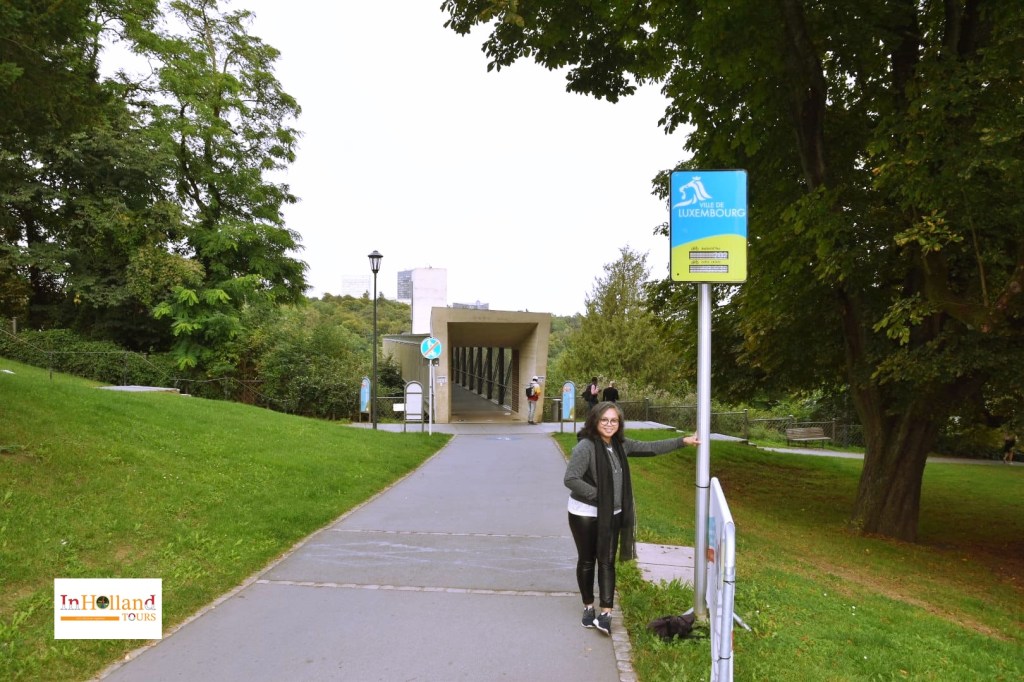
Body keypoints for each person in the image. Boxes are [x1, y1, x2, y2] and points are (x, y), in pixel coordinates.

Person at [564, 401, 699, 636]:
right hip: (584, 513)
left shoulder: (619, 445)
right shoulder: (585, 447)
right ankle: (588, 606)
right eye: (604, 420)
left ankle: (605, 613)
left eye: (613, 420)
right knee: (587, 560)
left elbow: (650, 447)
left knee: (607, 560)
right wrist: (598, 495)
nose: (609, 424)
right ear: (595, 421)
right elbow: (571, 478)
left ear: (619, 423)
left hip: (613, 514)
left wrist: (682, 441)